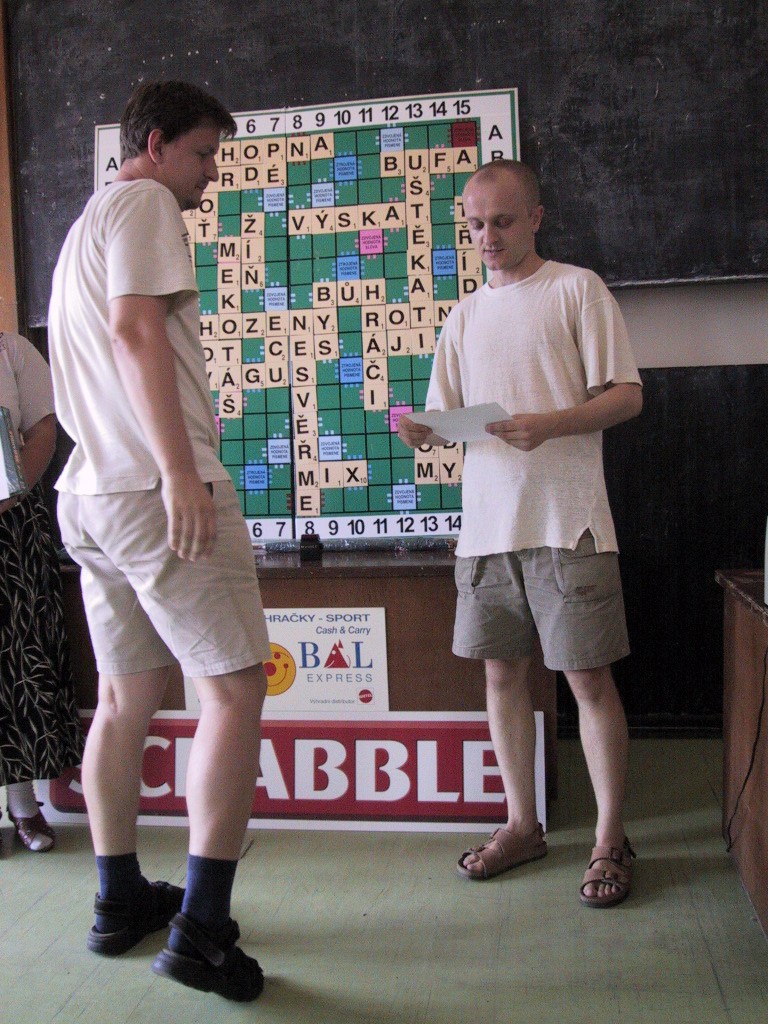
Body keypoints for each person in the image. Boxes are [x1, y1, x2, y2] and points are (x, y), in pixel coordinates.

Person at [47, 81, 272, 1000]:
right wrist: (181, 471)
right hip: (152, 490)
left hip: (89, 495)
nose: (210, 174)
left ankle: (118, 900)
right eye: (202, 154)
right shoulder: (144, 205)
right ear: (153, 145)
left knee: (124, 696)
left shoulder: (83, 227)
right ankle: (203, 931)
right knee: (235, 690)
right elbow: (136, 331)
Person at [398, 159, 643, 909]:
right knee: (501, 677)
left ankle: (610, 838)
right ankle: (521, 824)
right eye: (475, 224)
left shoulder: (576, 289)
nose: (488, 236)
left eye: (502, 221)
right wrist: (422, 431)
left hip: (569, 523)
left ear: (535, 217)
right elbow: (445, 423)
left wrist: (553, 424)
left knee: (587, 680)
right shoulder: (463, 317)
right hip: (485, 530)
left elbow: (628, 396)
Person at [0, 330, 83, 853]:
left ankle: (23, 803)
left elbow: (44, 433)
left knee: (16, 664)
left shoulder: (12, 351)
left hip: (11, 528)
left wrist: (6, 496)